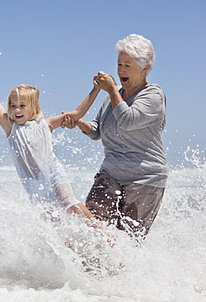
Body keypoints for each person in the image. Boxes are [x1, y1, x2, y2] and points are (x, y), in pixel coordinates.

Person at [63, 34, 168, 238]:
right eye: (119, 64)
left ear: (145, 68)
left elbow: (128, 120)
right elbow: (97, 131)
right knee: (91, 229)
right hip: (110, 175)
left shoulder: (153, 96)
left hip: (145, 179)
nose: (120, 70)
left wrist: (111, 90)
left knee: (126, 242)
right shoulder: (114, 96)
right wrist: (79, 123)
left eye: (128, 65)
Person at [0, 63, 99, 223]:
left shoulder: (46, 124)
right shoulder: (10, 127)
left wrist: (96, 89)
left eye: (22, 106)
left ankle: (102, 232)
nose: (16, 110)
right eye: (13, 106)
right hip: (34, 185)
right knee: (54, 223)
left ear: (33, 107)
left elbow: (76, 113)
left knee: (69, 204)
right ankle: (69, 248)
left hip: (54, 174)